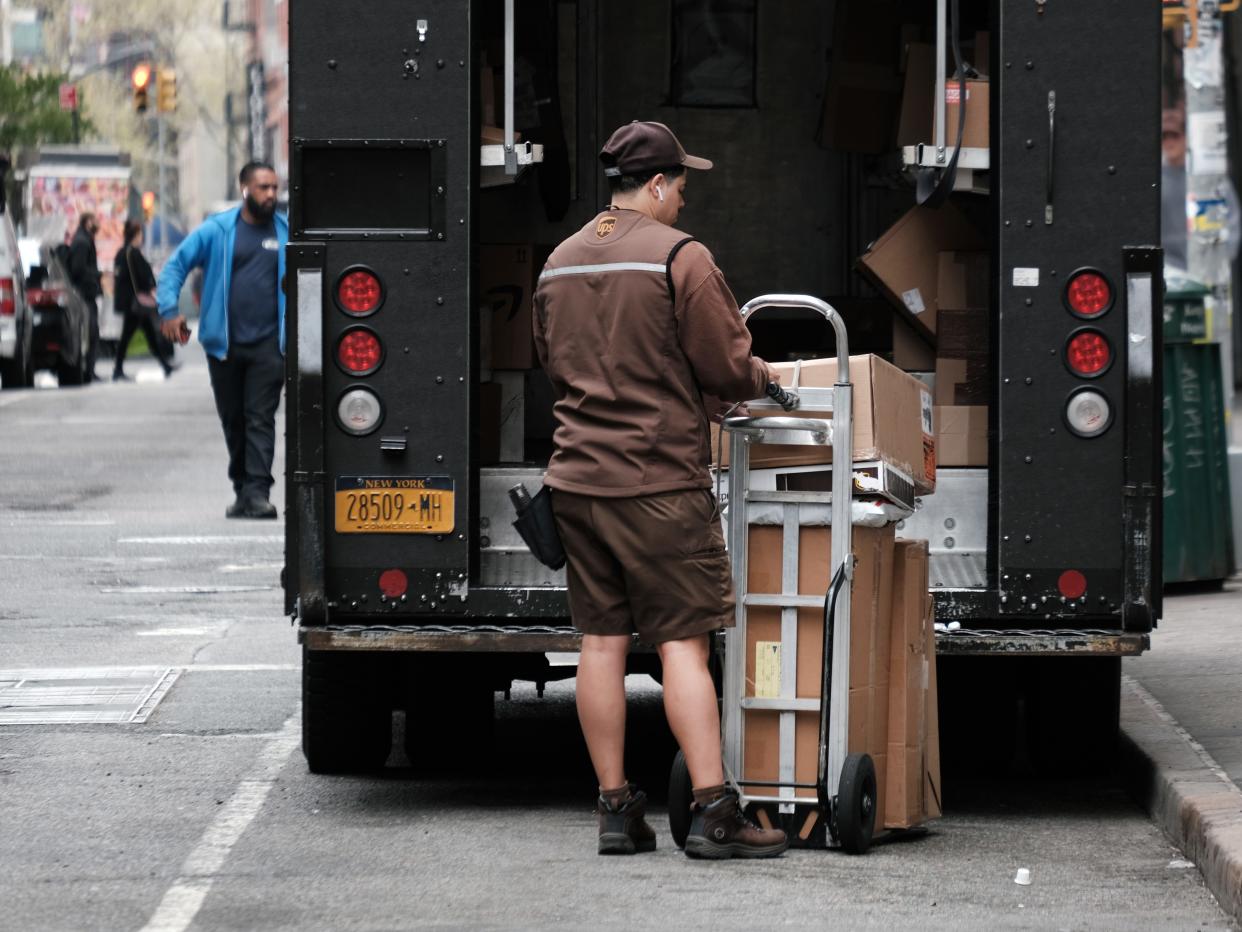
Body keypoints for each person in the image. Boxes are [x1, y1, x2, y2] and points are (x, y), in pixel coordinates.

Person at [532, 121, 788, 860]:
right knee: (683, 641)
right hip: (658, 485)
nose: (683, 199)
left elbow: (553, 362)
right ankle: (715, 814)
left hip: (576, 482)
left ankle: (616, 810)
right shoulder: (681, 257)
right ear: (654, 185)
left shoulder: (559, 263)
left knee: (602, 642)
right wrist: (762, 376)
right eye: (680, 185)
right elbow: (728, 365)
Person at [158, 161, 288, 519]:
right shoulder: (218, 231)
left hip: (270, 346)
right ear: (245, 189)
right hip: (225, 346)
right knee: (234, 420)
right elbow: (175, 266)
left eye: (274, 187)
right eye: (263, 187)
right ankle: (242, 490)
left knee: (260, 418)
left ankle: (258, 492)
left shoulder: (286, 233)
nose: (271, 194)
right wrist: (169, 310)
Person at [112, 220, 176, 380]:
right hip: (135, 303)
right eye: (140, 234)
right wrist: (150, 287)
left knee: (147, 334)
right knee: (128, 336)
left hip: (130, 303)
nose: (141, 237)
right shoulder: (132, 253)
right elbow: (142, 275)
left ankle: (165, 365)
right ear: (136, 235)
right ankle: (118, 369)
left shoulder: (122, 252)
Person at [66, 212, 102, 382]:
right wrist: (98, 274)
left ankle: (90, 371)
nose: (98, 224)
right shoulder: (82, 241)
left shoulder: (85, 239)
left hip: (86, 293)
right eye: (95, 220)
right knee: (91, 332)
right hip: (83, 295)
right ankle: (88, 371)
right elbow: (77, 269)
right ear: (88, 222)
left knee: (92, 333)